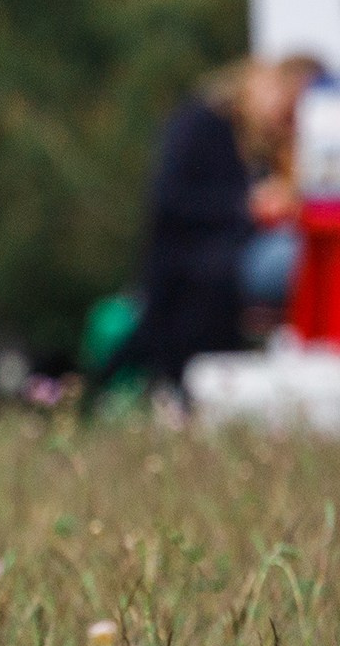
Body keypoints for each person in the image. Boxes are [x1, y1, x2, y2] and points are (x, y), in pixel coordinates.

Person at [109, 54, 326, 392]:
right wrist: (249, 208)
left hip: (227, 260)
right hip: (200, 264)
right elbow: (172, 201)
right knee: (307, 262)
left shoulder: (263, 142)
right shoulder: (202, 123)